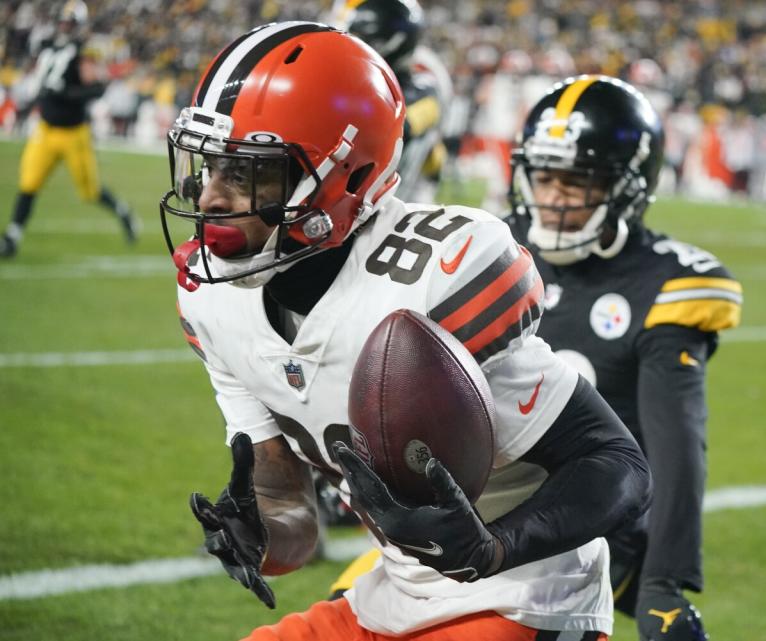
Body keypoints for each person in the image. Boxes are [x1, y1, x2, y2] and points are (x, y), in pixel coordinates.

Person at [164, 23, 651, 640]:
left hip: (522, 599)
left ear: (340, 177)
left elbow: (621, 464)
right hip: (391, 593)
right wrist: (259, 533)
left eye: (245, 173)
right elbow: (293, 518)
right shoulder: (213, 303)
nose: (209, 198)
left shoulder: (437, 277)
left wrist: (495, 548)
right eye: (209, 166)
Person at [506, 75, 743, 641]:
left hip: (588, 529)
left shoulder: (667, 284)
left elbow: (676, 441)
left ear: (628, 188)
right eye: (544, 177)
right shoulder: (494, 247)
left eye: (576, 181)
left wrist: (666, 581)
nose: (555, 197)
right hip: (480, 511)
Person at [0, 0, 138, 258]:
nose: (65, 25)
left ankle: (123, 212)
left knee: (90, 192)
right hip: (45, 129)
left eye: (70, 22)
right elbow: (41, 84)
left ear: (78, 25)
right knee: (28, 183)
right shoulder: (48, 47)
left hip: (74, 134)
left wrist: (66, 93)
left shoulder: (81, 52)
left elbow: (96, 89)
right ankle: (12, 237)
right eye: (63, 21)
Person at [342, 0, 449, 203]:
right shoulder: (357, 86)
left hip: (386, 209)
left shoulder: (423, 91)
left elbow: (393, 130)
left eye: (364, 40)